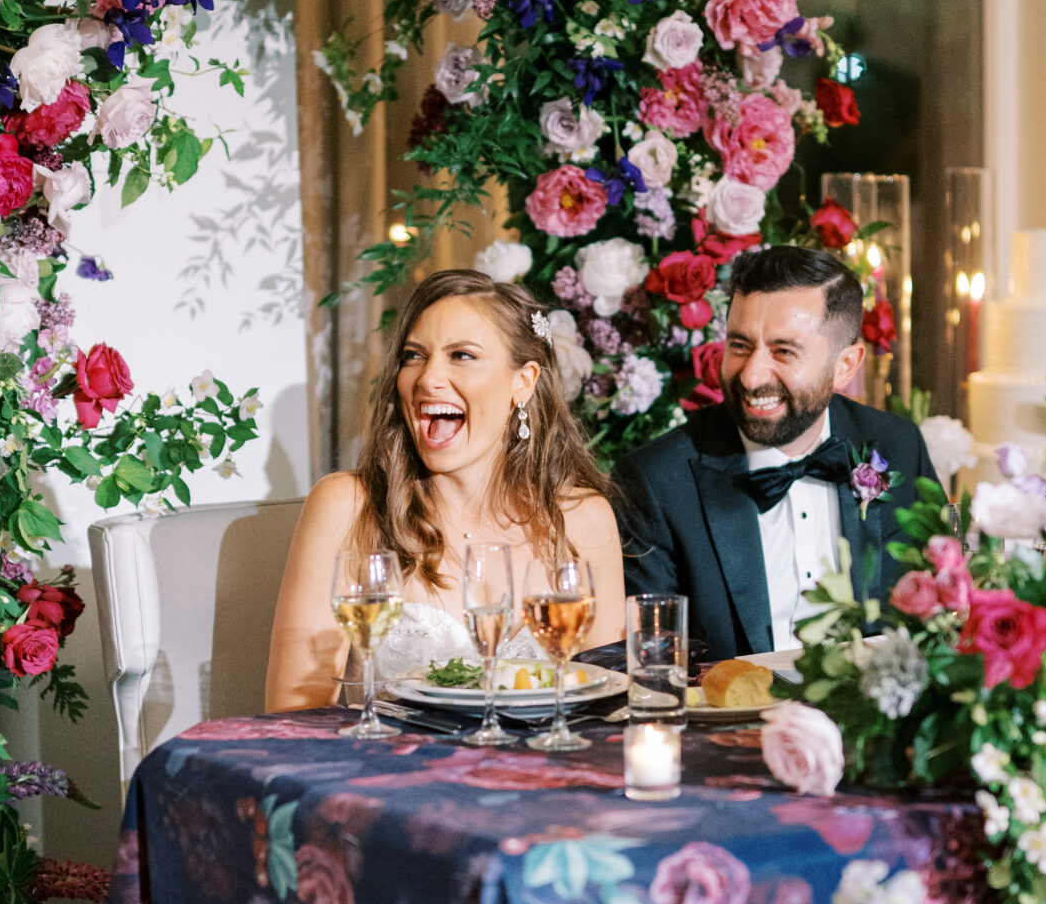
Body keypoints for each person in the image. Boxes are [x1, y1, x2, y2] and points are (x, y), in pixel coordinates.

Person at [265, 269, 624, 708]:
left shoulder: (583, 520)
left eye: (462, 355)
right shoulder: (348, 507)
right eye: (414, 356)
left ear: (524, 382)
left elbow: (606, 705)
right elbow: (294, 714)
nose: (427, 379)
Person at [616, 243, 937, 659]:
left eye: (784, 351)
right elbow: (651, 670)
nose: (751, 376)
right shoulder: (655, 481)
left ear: (846, 366)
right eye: (739, 345)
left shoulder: (897, 445)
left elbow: (936, 613)